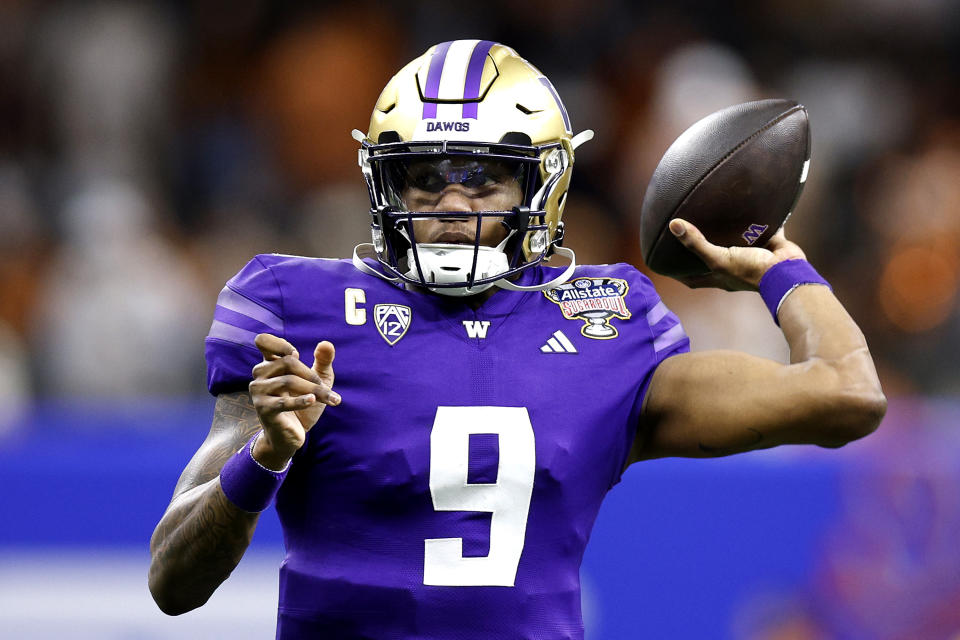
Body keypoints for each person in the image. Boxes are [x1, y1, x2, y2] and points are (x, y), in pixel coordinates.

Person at [148, 40, 886, 638]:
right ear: (384, 186)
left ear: (543, 189)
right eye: (425, 178)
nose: (452, 206)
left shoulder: (607, 323)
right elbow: (172, 582)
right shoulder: (293, 310)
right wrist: (265, 457)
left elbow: (846, 392)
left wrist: (780, 266)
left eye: (485, 180)